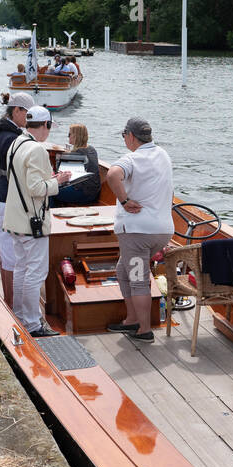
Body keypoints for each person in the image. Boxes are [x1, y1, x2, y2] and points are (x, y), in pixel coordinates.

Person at [2, 104, 71, 337]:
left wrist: (49, 179)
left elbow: (21, 180)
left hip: (15, 219)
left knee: (21, 268)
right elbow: (34, 188)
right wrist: (57, 182)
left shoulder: (16, 144)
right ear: (46, 125)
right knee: (36, 273)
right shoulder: (38, 150)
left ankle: (21, 315)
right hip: (32, 221)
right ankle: (32, 323)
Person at [105, 118, 173, 342]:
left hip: (137, 233)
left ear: (131, 136)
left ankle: (144, 329)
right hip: (162, 231)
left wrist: (124, 201)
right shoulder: (163, 155)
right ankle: (131, 319)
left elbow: (112, 175)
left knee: (138, 278)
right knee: (123, 270)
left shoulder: (131, 159)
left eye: (124, 135)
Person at [0, 91, 35, 306]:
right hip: (8, 196)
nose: (29, 120)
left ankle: (12, 300)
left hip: (6, 194)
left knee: (10, 251)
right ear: (16, 110)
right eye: (27, 115)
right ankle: (11, 304)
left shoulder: (5, 133)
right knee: (10, 253)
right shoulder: (10, 137)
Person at [49, 123, 101, 206]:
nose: (68, 136)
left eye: (69, 134)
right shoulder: (91, 149)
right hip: (94, 192)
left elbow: (62, 174)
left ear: (76, 136)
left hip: (84, 193)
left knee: (50, 191)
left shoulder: (77, 153)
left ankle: (52, 215)